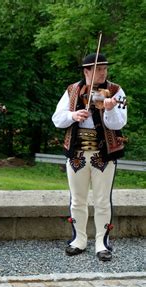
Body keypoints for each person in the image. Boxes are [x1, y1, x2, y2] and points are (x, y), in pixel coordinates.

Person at [52, 53, 127, 262]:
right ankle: (79, 240)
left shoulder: (115, 91)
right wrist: (73, 116)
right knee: (77, 199)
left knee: (102, 200)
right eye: (98, 69)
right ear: (86, 71)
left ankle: (102, 243)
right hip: (77, 153)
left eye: (104, 69)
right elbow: (57, 119)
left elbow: (118, 124)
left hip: (103, 154)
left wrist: (109, 110)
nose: (103, 72)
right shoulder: (72, 90)